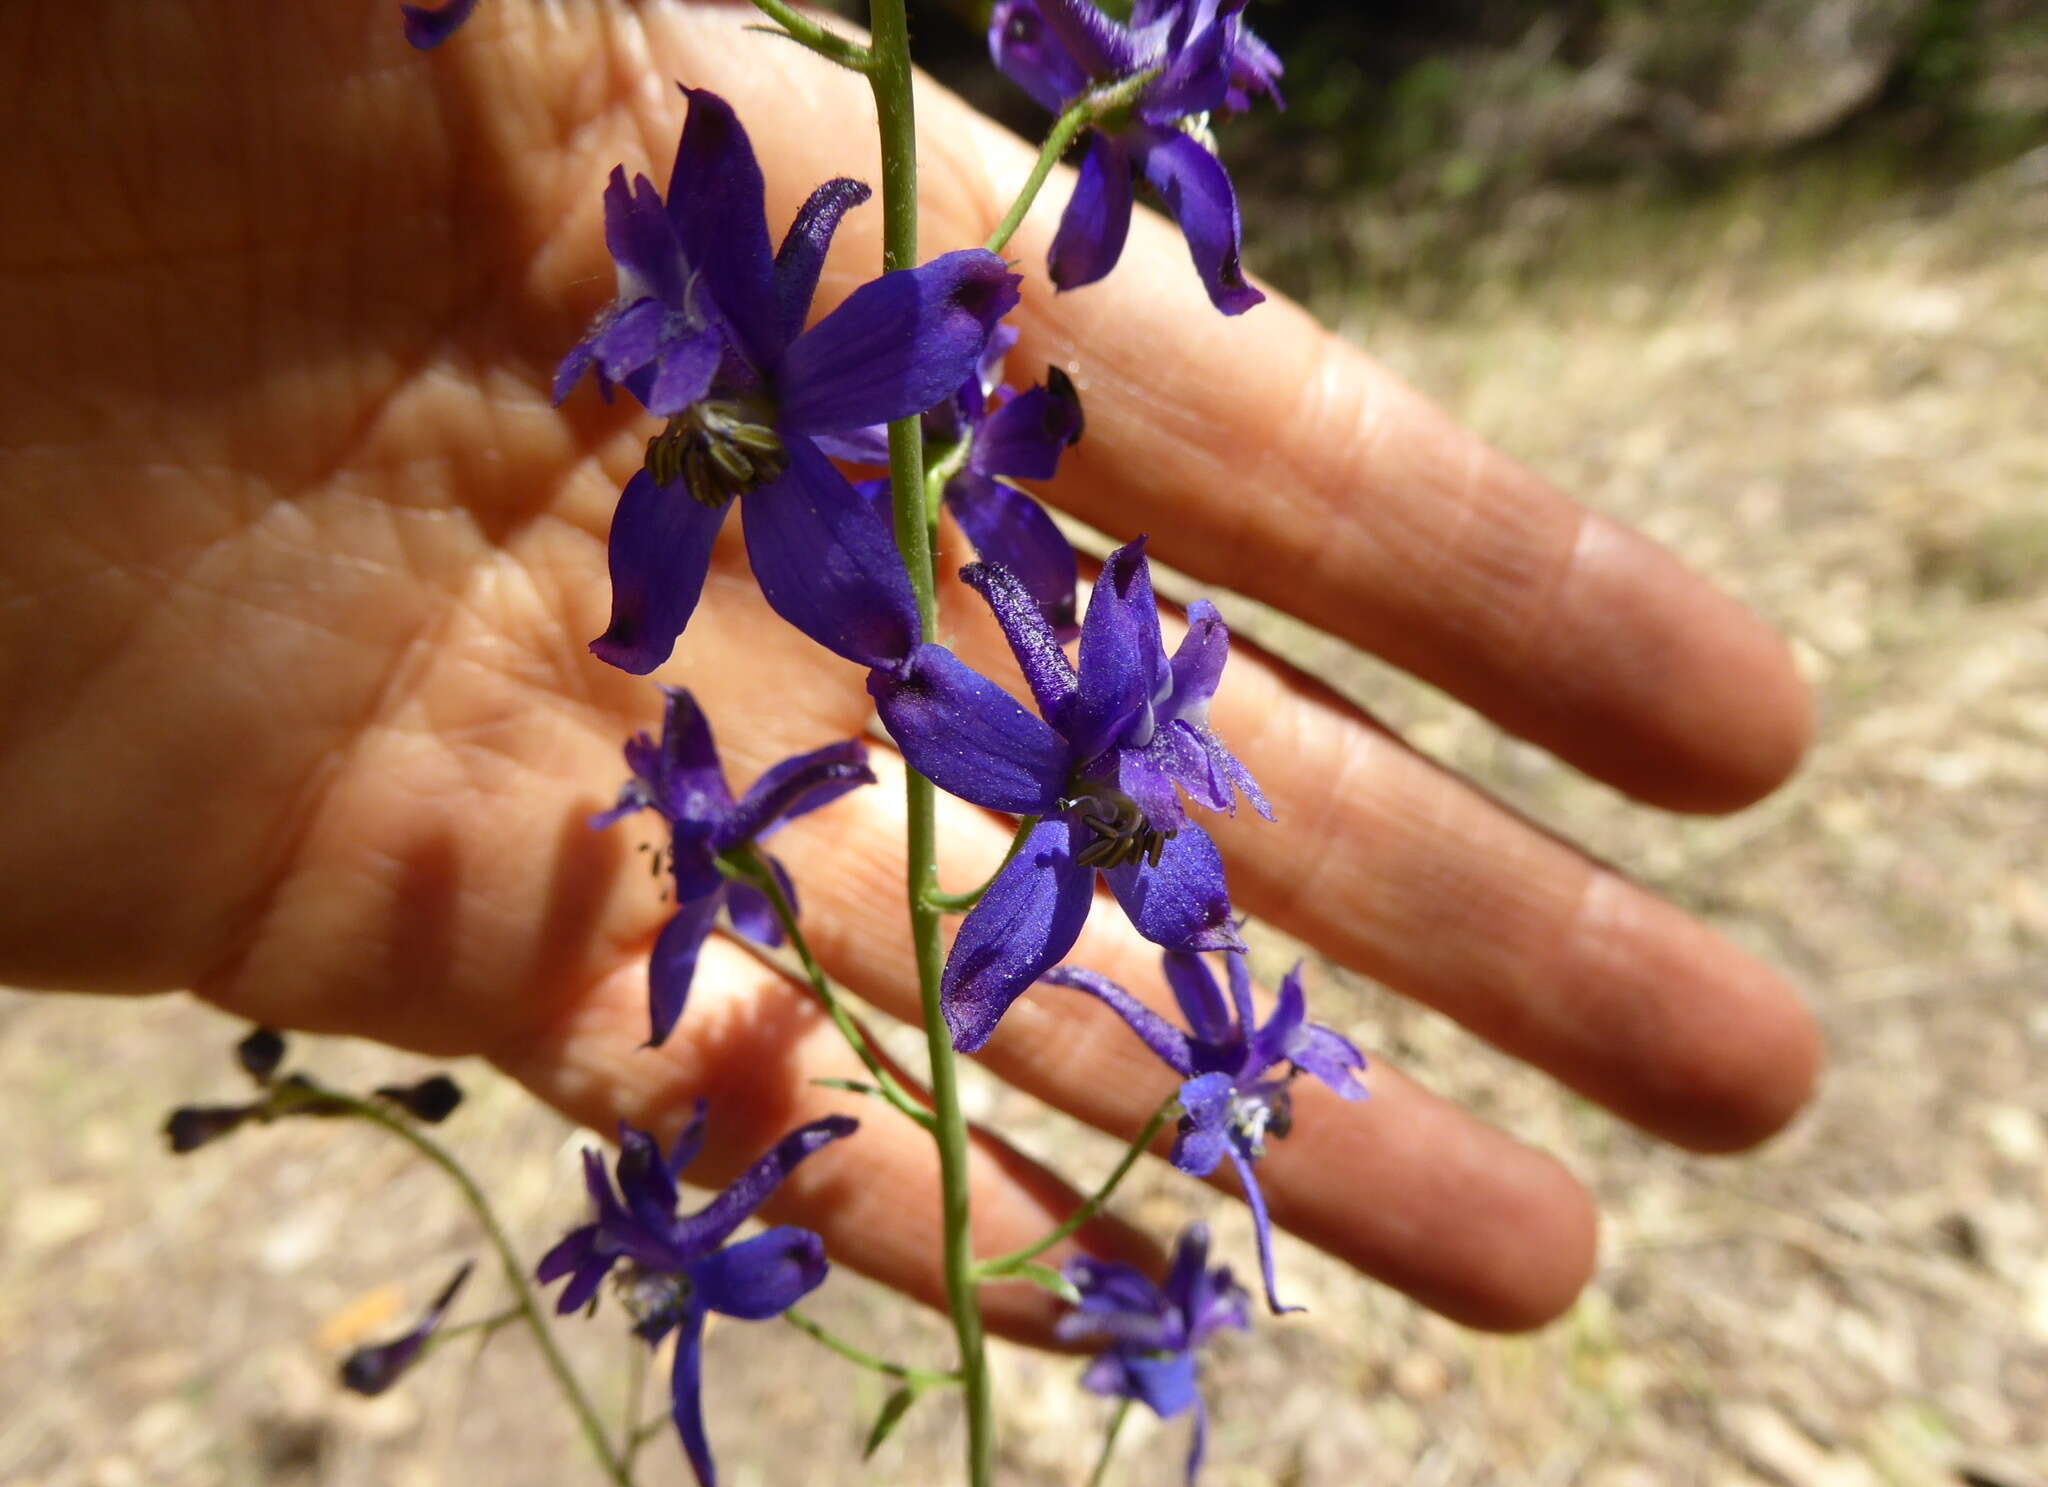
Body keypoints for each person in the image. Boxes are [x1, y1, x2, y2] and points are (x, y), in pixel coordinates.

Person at [0, 2, 1816, 1344]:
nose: (659, 379)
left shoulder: (955, 530)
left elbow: (978, 644)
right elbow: (883, 630)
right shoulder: (789, 473)